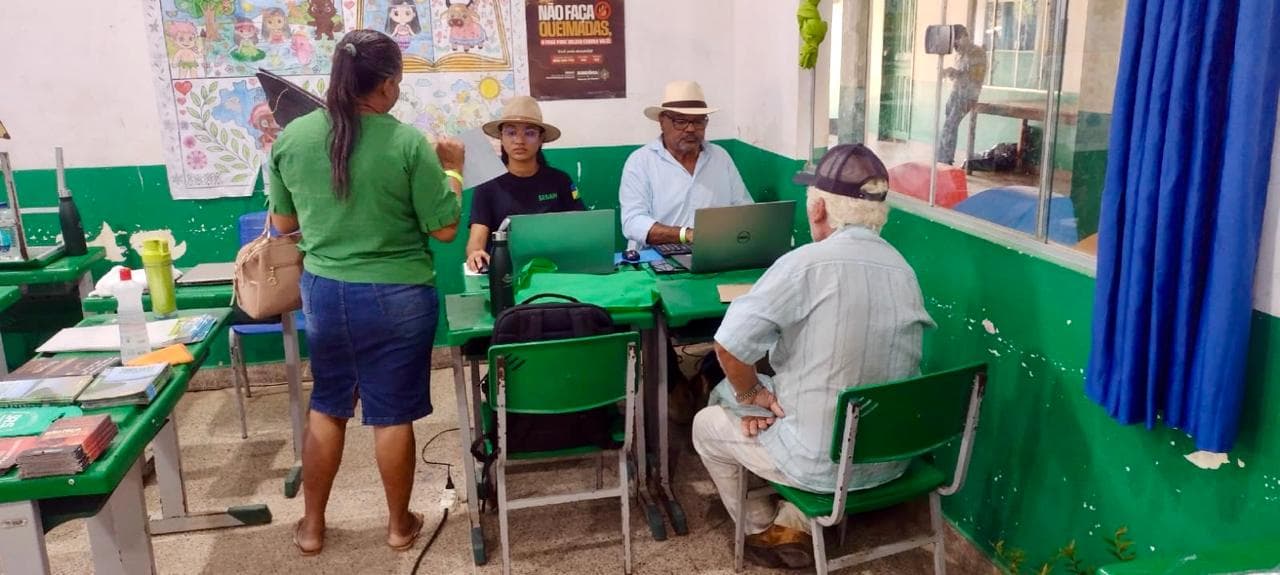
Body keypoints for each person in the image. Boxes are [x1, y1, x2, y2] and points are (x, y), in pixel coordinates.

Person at [266, 30, 466, 556]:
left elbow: (283, 222)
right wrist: (453, 171)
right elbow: (444, 229)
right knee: (390, 415)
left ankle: (311, 527)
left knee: (328, 408)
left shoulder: (291, 139)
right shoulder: (406, 143)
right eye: (397, 81)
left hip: (326, 294)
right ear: (385, 83)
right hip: (399, 295)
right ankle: (400, 526)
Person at [691, 145, 935, 569]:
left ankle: (762, 529)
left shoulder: (803, 264)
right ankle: (797, 517)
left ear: (818, 208)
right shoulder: (903, 269)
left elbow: (727, 346)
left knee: (709, 420)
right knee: (773, 399)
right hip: (892, 456)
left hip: (821, 463)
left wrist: (752, 394)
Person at [619, 80, 752, 248]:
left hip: (713, 252)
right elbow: (633, 222)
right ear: (662, 122)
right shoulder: (640, 162)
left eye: (698, 121)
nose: (690, 129)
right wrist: (686, 235)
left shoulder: (720, 157)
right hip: (654, 259)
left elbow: (744, 209)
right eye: (680, 121)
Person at [464, 96, 584, 273]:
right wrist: (475, 254)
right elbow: (476, 242)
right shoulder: (487, 186)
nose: (519, 140)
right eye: (511, 133)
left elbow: (582, 228)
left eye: (529, 133)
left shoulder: (561, 181)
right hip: (506, 274)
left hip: (556, 271)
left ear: (541, 138)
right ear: (501, 138)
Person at [937, 25, 988, 165]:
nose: (954, 46)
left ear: (964, 37)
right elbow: (959, 78)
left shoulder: (977, 53)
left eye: (956, 41)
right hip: (956, 93)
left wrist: (954, 73)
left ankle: (944, 160)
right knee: (948, 125)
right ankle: (943, 158)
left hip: (968, 95)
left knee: (950, 125)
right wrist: (950, 74)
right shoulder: (960, 54)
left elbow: (975, 79)